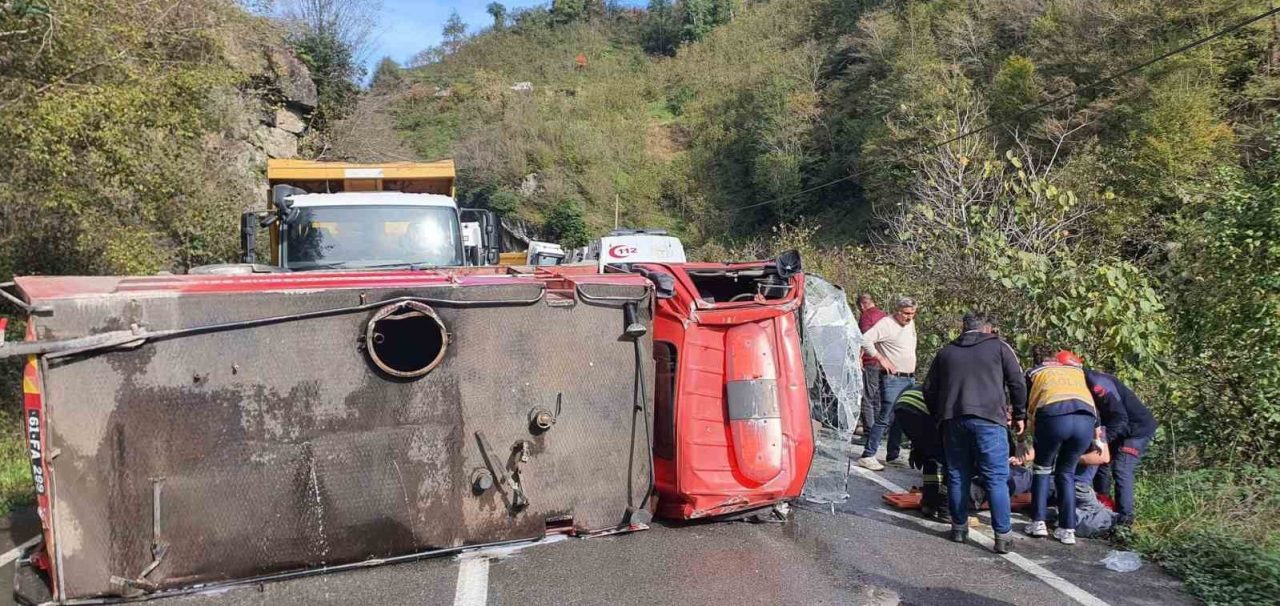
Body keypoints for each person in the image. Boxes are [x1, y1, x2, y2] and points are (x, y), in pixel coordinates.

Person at [924, 312, 1026, 553]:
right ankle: (1002, 536)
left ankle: (958, 528)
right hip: (989, 419)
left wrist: (941, 414)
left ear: (963, 328)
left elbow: (929, 389)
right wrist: (1020, 415)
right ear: (987, 329)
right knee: (996, 477)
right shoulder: (1000, 348)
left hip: (953, 420)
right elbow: (1017, 382)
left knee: (957, 473)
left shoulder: (946, 352)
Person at [1058, 352, 1158, 526]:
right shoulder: (1077, 384)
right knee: (1101, 465)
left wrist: (1102, 441)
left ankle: (1125, 521)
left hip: (1136, 429)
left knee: (1121, 469)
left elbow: (1120, 418)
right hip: (1114, 426)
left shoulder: (1098, 383)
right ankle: (1103, 507)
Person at [1023, 346, 1098, 545]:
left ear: (1037, 360)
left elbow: (1024, 404)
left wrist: (1023, 436)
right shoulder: (1076, 371)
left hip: (1054, 416)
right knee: (1067, 473)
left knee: (1042, 469)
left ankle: (1038, 522)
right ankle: (1067, 529)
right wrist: (1098, 435)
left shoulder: (1034, 372)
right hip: (1086, 419)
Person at [856, 297, 918, 471]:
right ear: (897, 311)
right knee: (885, 416)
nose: (909, 317)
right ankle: (868, 454)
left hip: (908, 377)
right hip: (893, 378)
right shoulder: (886, 324)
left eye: (912, 313)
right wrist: (880, 358)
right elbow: (865, 339)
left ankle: (893, 454)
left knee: (901, 417)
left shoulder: (909, 324)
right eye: (906, 313)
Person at [891, 385, 944, 518]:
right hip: (920, 407)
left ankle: (929, 503)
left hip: (903, 404)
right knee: (948, 460)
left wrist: (917, 446)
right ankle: (945, 508)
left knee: (928, 454)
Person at [856, 294, 887, 438]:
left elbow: (864, 339)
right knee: (877, 397)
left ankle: (869, 432)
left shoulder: (866, 316)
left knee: (867, 397)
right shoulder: (885, 316)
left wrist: (859, 356)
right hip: (884, 362)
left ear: (862, 305)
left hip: (870, 361)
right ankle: (879, 431)